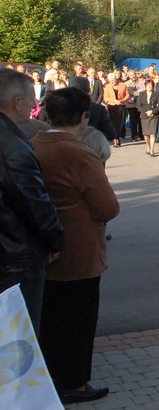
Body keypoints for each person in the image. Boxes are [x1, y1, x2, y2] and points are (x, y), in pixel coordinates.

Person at [31, 88, 119, 405]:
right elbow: (108, 206)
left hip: (44, 245)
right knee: (80, 319)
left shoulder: (36, 143)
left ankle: (54, 375)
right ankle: (75, 382)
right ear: (83, 118)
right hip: (80, 247)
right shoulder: (80, 152)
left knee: (52, 316)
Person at [0, 68, 64, 336]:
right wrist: (56, 240)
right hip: (17, 257)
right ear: (17, 102)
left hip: (10, 252)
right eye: (31, 100)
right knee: (20, 341)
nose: (34, 106)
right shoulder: (12, 146)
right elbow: (34, 203)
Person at [69, 76, 117, 142]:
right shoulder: (98, 109)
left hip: (68, 146)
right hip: (91, 146)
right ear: (89, 89)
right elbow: (110, 134)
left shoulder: (61, 107)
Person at [137, 78, 159, 157]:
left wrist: (152, 111)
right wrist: (146, 112)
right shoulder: (141, 94)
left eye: (151, 85)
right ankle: (148, 146)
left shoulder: (156, 94)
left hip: (154, 116)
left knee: (152, 133)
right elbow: (138, 105)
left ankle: (152, 149)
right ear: (145, 86)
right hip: (144, 116)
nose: (150, 87)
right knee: (146, 134)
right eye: (148, 85)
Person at [103, 72, 128, 148]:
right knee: (113, 123)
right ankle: (115, 139)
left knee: (120, 123)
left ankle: (118, 137)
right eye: (111, 81)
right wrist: (114, 101)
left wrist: (123, 100)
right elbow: (106, 97)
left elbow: (127, 95)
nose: (112, 82)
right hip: (112, 106)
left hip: (121, 106)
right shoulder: (107, 87)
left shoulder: (122, 85)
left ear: (116, 79)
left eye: (113, 80)